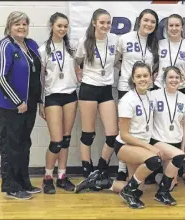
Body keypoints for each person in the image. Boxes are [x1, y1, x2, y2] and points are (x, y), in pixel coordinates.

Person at [0, 11, 42, 200]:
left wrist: (38, 101)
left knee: (24, 144)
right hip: (10, 107)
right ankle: (11, 186)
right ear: (9, 26)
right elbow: (0, 77)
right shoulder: (4, 46)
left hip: (28, 105)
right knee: (10, 145)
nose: (21, 27)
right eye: (17, 24)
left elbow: (38, 75)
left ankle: (23, 181)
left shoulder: (31, 45)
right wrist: (17, 101)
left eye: (24, 24)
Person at [74, 8, 119, 184]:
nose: (105, 26)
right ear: (94, 23)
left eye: (108, 23)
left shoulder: (114, 40)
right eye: (102, 22)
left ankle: (101, 168)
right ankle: (87, 170)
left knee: (112, 135)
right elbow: (77, 62)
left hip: (106, 89)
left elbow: (118, 60)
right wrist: (79, 74)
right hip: (88, 89)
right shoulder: (85, 41)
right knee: (88, 134)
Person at [115, 9, 160, 182]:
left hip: (144, 89)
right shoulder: (125, 38)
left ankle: (138, 168)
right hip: (127, 87)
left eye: (152, 22)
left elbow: (154, 66)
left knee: (141, 124)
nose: (149, 24)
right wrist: (131, 75)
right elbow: (117, 60)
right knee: (126, 129)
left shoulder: (154, 43)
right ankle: (121, 168)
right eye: (146, 20)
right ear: (139, 20)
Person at [154, 14, 185, 186]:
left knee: (182, 130)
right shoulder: (159, 44)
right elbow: (154, 64)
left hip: (180, 88)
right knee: (161, 130)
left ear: (182, 27)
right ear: (166, 28)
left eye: (177, 25)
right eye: (170, 25)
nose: (173, 28)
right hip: (160, 88)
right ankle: (162, 169)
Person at [38, 12, 79, 194]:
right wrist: (41, 102)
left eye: (65, 26)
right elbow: (39, 79)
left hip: (70, 95)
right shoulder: (43, 50)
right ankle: (48, 177)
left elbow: (79, 68)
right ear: (52, 26)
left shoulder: (72, 48)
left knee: (66, 139)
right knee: (56, 141)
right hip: (52, 96)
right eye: (59, 26)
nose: (62, 29)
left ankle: (62, 176)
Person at [150, 66, 185, 204]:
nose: (174, 80)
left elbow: (184, 125)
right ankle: (161, 193)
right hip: (158, 141)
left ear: (181, 80)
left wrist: (182, 148)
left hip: (175, 142)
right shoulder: (154, 95)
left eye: (177, 77)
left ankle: (162, 182)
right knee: (167, 182)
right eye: (171, 77)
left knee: (171, 184)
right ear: (164, 79)